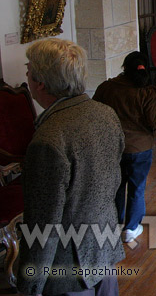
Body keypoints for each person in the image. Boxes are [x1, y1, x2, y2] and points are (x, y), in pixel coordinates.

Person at [17, 38, 125, 296]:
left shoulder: (48, 140)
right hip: (104, 249)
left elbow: (43, 224)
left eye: (28, 71)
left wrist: (30, 283)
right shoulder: (105, 114)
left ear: (40, 82)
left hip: (68, 268)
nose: (26, 75)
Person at [93, 51, 156, 244]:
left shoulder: (107, 88)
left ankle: (115, 224)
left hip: (113, 147)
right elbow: (155, 120)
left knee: (117, 187)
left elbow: (95, 111)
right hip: (140, 148)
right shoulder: (146, 92)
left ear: (124, 68)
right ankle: (131, 228)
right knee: (137, 188)